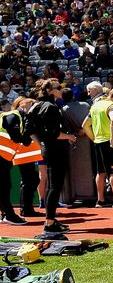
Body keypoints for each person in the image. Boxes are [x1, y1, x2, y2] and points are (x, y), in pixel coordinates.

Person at [26, 79, 76, 234]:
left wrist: (41, 144)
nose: (61, 90)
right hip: (56, 150)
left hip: (47, 149)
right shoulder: (51, 107)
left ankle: (51, 220)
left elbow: (29, 130)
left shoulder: (35, 106)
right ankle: (49, 223)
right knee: (55, 187)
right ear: (52, 90)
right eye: (58, 87)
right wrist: (69, 137)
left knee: (51, 186)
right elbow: (54, 133)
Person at [82, 87, 113, 208]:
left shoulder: (95, 106)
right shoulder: (111, 106)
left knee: (100, 172)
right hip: (110, 143)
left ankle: (100, 200)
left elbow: (84, 125)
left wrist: (94, 138)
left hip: (98, 143)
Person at [0, 96, 39, 225]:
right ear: (24, 106)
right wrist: (24, 137)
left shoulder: (22, 118)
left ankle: (5, 214)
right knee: (4, 185)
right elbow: (15, 134)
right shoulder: (14, 115)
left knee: (4, 185)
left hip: (4, 157)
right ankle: (9, 215)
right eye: (33, 107)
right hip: (1, 156)